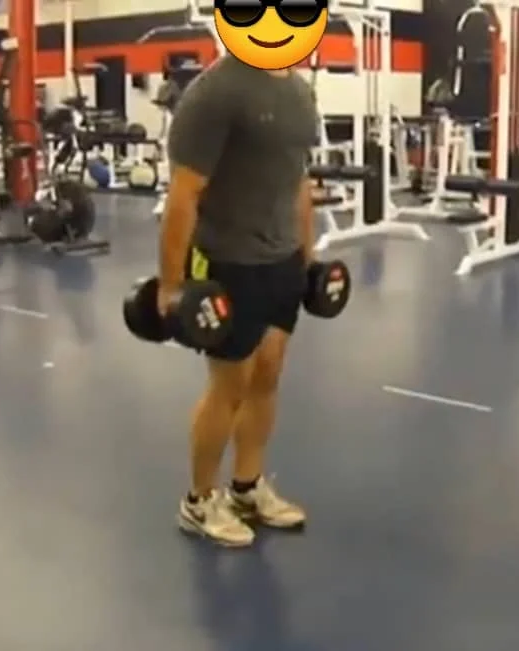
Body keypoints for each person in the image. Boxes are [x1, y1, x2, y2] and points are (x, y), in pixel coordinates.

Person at [157, 54, 320, 547]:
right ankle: (199, 500)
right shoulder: (216, 92)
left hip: (282, 260)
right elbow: (184, 193)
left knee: (268, 375)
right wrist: (171, 284)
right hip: (228, 261)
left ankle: (246, 489)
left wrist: (308, 257)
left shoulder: (299, 92)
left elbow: (298, 182)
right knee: (229, 385)